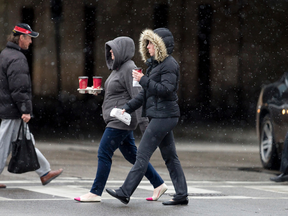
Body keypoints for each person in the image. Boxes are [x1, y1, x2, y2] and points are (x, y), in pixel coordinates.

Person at [74, 36, 167, 202]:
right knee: (132, 155)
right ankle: (159, 184)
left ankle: (95, 192)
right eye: (109, 49)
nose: (110, 52)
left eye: (113, 48)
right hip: (117, 117)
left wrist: (145, 126)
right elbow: (118, 93)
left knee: (104, 152)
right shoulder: (118, 69)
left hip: (121, 119)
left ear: (122, 50)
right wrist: (98, 92)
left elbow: (138, 98)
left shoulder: (130, 69)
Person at [106, 28, 189, 205]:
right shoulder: (156, 65)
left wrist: (143, 79)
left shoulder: (169, 65)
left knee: (142, 154)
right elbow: (145, 94)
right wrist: (126, 108)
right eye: (147, 43)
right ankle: (182, 194)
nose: (148, 46)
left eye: (151, 43)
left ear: (160, 44)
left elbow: (166, 91)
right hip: (161, 115)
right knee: (170, 156)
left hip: (164, 116)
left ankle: (125, 191)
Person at [0, 23, 63, 188]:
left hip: (9, 107)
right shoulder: (16, 58)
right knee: (3, 144)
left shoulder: (6, 54)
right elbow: (19, 88)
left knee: (27, 140)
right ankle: (45, 172)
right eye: (29, 38)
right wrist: (25, 109)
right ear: (21, 37)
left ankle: (44, 172)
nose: (30, 42)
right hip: (13, 110)